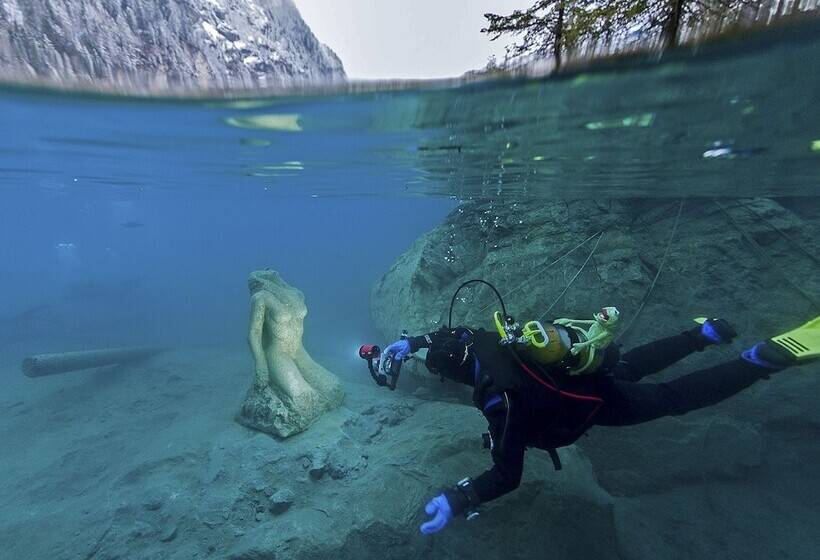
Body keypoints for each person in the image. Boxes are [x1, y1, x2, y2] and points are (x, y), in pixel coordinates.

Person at [379, 314, 819, 535]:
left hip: (589, 404)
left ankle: (757, 362)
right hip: (584, 373)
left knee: (672, 399)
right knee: (630, 365)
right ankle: (700, 336)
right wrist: (413, 341)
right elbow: (455, 334)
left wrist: (459, 498)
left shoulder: (502, 402)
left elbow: (506, 475)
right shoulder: (490, 339)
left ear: (456, 377)